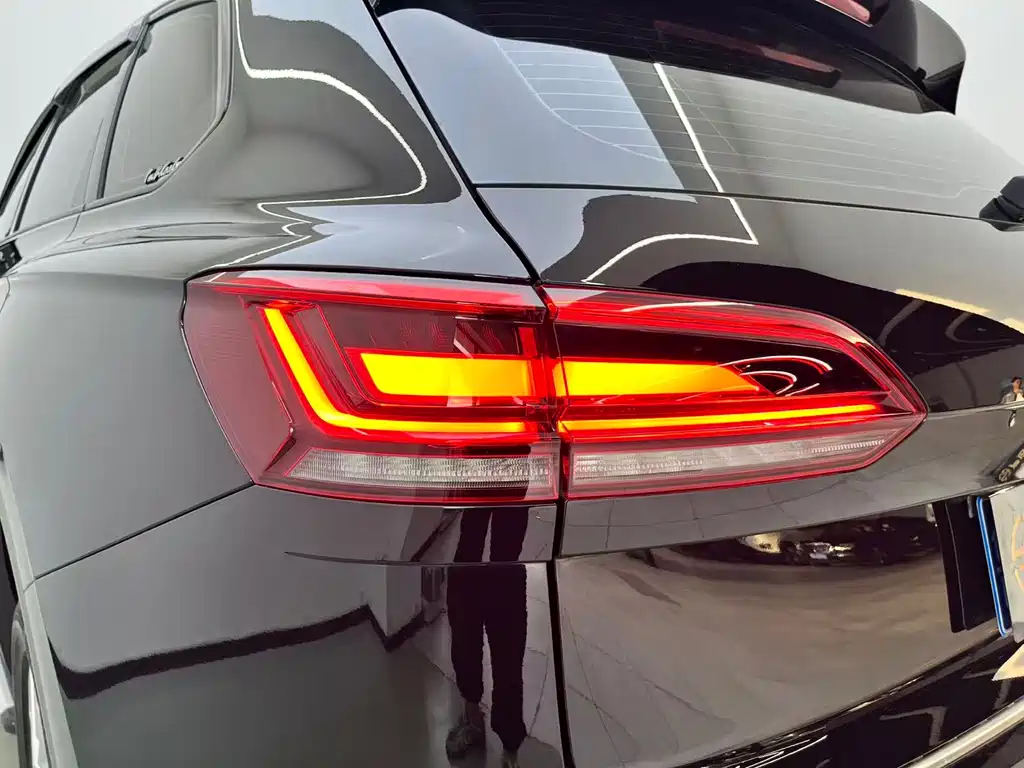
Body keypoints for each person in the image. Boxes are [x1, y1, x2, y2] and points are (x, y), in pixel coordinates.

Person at [445, 506, 529, 768]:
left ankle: (510, 746)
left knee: (509, 658)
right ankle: (472, 721)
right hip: (464, 562)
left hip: (506, 567)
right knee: (463, 647)